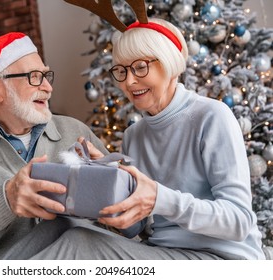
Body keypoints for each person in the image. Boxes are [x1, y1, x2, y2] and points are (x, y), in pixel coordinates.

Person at [73, 12, 265, 259]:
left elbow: (238, 221)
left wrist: (160, 197)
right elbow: (137, 228)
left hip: (224, 257)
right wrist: (107, 183)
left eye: (140, 67)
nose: (129, 81)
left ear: (170, 63)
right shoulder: (134, 135)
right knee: (75, 233)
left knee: (78, 243)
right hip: (164, 252)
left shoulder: (211, 116)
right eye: (121, 71)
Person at [0, 32, 109, 259]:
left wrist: (113, 185)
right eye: (34, 77)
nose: (47, 87)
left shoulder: (76, 132)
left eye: (46, 75)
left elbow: (130, 220)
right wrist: (5, 201)